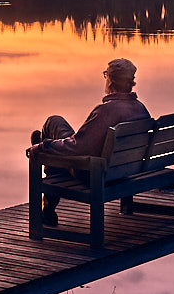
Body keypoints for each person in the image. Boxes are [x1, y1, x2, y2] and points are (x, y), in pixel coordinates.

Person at [26, 57, 152, 224]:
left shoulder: (106, 111)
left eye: (106, 74)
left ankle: (47, 208)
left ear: (111, 80)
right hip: (125, 171)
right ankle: (48, 205)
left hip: (95, 172)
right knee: (56, 129)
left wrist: (44, 146)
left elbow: (78, 148)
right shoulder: (140, 108)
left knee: (52, 125)